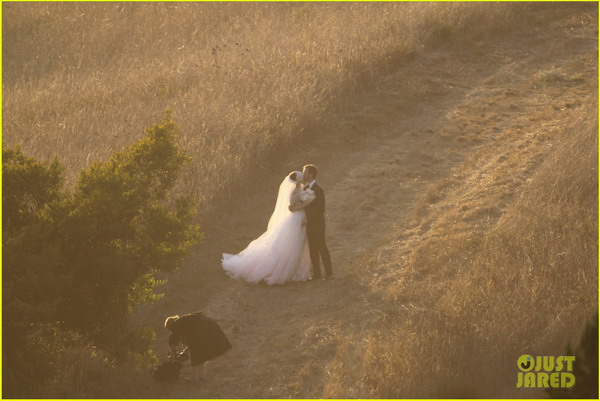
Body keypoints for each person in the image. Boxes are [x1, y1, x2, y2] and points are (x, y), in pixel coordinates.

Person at [221, 171, 312, 285]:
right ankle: (285, 270)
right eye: (302, 177)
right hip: (296, 218)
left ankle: (297, 269)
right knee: (292, 244)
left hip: (301, 217)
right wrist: (306, 203)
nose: (304, 179)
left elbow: (303, 199)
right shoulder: (293, 191)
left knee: (299, 244)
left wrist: (307, 199)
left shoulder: (301, 188)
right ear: (298, 180)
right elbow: (292, 208)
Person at [165, 312, 232, 382]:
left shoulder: (175, 325)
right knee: (201, 354)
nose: (170, 331)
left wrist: (172, 358)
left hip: (202, 328)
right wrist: (185, 350)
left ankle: (195, 377)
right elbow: (190, 340)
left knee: (195, 354)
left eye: (169, 329)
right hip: (208, 324)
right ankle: (201, 376)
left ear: (170, 326)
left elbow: (173, 344)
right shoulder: (182, 321)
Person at [292, 164, 332, 280]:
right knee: (313, 250)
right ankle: (317, 274)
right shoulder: (304, 188)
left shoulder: (318, 190)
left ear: (311, 174)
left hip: (317, 224)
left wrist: (308, 219)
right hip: (309, 226)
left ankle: (329, 274)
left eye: (305, 172)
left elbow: (320, 209)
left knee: (322, 248)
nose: (303, 174)